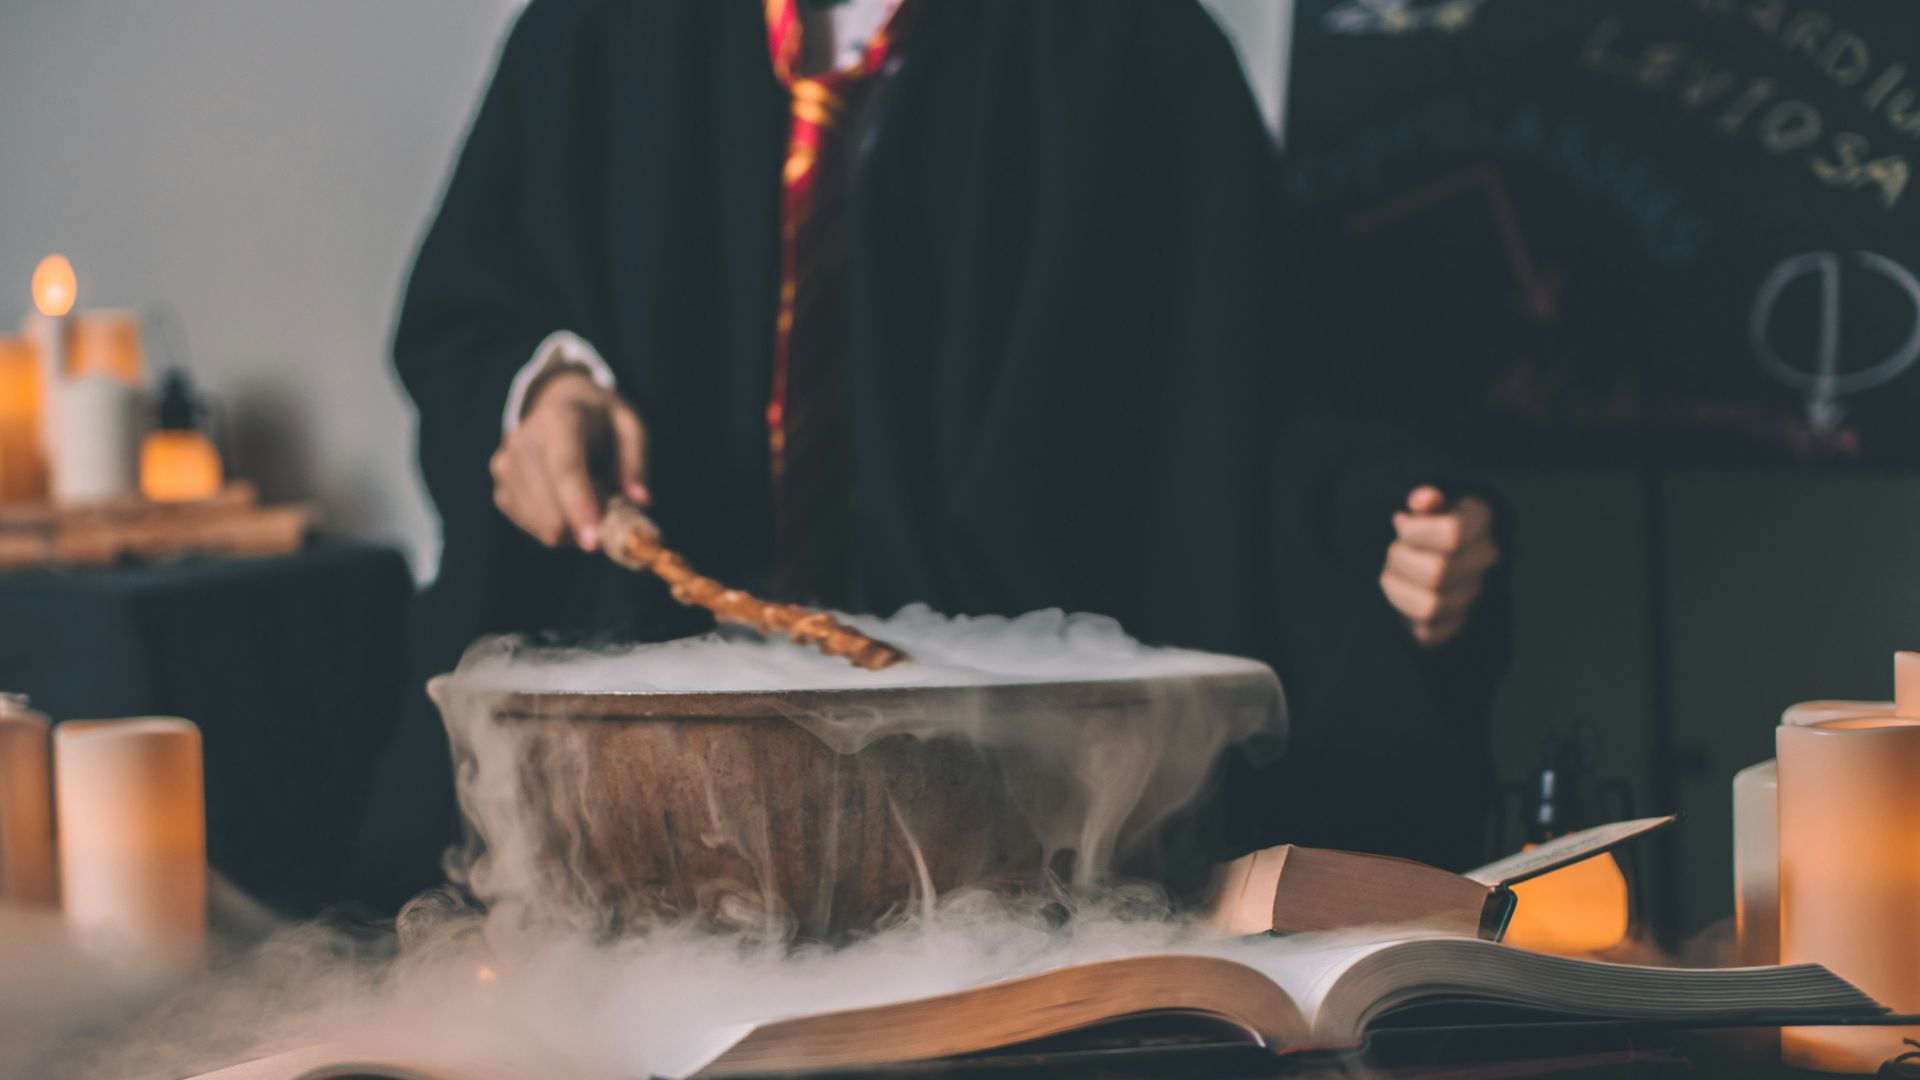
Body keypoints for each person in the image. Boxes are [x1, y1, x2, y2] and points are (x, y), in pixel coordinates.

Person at [356, 0, 1506, 910]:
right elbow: (471, 317)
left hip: (1015, 803)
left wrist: (1376, 532)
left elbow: (1256, 395)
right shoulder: (596, 35)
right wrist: (543, 390)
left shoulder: (1136, 49)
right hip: (645, 801)